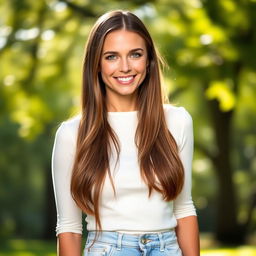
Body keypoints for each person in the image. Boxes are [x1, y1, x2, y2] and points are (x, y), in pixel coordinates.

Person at [52, 10, 200, 256]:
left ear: (149, 60)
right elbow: (69, 227)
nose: (125, 67)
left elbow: (184, 209)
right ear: (96, 64)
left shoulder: (177, 121)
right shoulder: (72, 134)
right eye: (111, 57)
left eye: (135, 54)